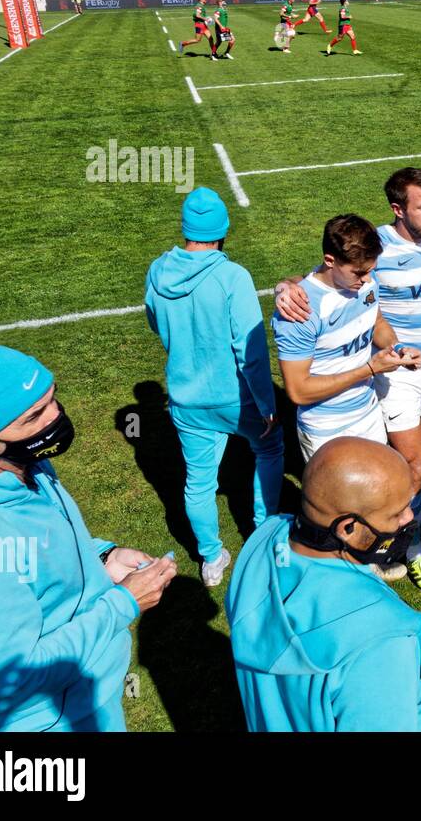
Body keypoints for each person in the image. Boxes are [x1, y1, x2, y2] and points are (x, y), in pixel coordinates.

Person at [0, 345, 176, 731]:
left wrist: (101, 558)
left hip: (83, 697)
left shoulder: (19, 461)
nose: (56, 417)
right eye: (34, 416)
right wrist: (123, 604)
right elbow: (8, 682)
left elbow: (40, 543)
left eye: (52, 399)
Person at [225, 437, 421, 731]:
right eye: (397, 512)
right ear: (348, 528)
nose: (409, 518)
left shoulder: (260, 546)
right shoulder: (381, 642)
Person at [145, 187, 284, 586]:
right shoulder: (233, 276)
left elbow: (155, 322)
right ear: (223, 230)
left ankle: (210, 558)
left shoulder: (157, 272)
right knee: (270, 447)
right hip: (235, 398)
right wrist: (264, 399)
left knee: (199, 481)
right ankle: (263, 534)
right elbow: (251, 349)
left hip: (187, 399)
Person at [271, 214, 420, 468]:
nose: (365, 280)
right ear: (330, 260)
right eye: (358, 273)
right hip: (327, 429)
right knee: (343, 509)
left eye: (370, 270)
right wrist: (370, 369)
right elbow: (298, 390)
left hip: (369, 415)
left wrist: (397, 348)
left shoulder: (366, 284)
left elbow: (377, 323)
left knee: (382, 502)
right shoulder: (299, 311)